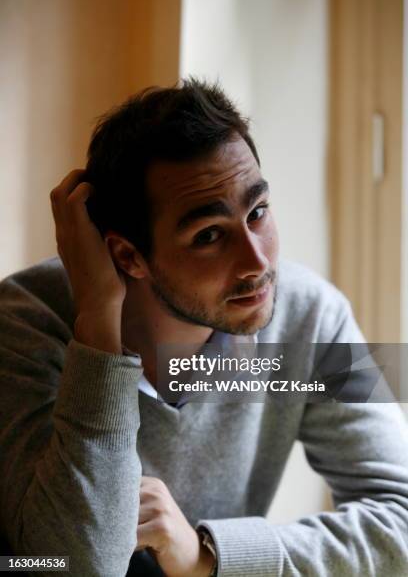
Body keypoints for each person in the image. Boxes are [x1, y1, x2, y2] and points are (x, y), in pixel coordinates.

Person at [0, 79, 407, 577]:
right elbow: (67, 565)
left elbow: (401, 524)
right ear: (128, 255)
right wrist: (99, 331)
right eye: (209, 235)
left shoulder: (315, 315)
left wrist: (206, 555)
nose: (256, 263)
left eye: (257, 212)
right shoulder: (22, 323)